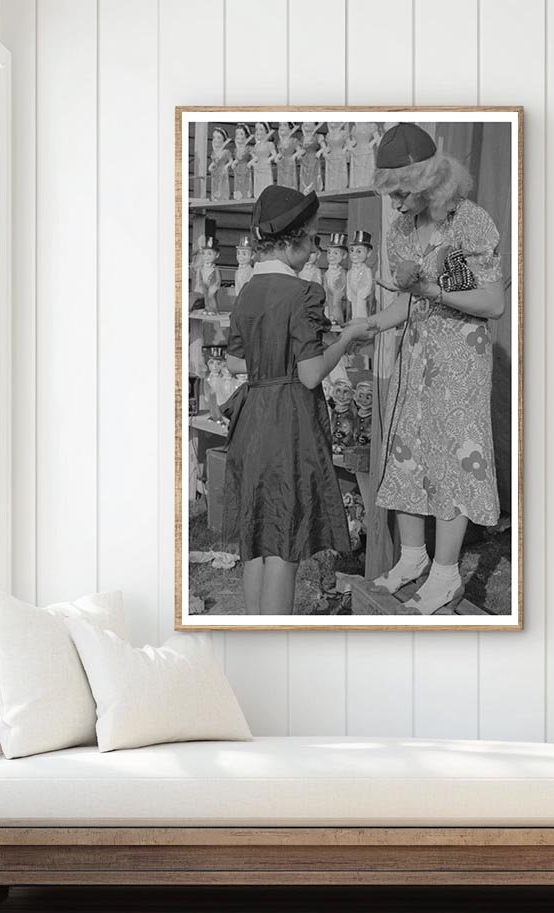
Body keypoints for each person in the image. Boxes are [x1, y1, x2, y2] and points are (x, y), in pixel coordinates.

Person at [355, 123, 506, 615]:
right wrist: (372, 323)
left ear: (428, 185)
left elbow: (491, 302)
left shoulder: (467, 223)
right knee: (407, 453)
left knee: (455, 462)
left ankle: (445, 574)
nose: (396, 206)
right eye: (392, 195)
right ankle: (412, 557)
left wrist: (435, 292)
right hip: (417, 355)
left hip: (459, 361)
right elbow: (407, 304)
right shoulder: (403, 228)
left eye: (402, 194)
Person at [222, 185, 365, 615]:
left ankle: (253, 636)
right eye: (313, 240)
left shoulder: (249, 290)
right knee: (285, 543)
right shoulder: (303, 293)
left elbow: (232, 362)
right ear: (291, 240)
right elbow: (310, 373)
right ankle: (277, 643)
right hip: (288, 422)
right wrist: (347, 338)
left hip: (251, 421)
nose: (316, 252)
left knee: (258, 539)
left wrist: (268, 361)